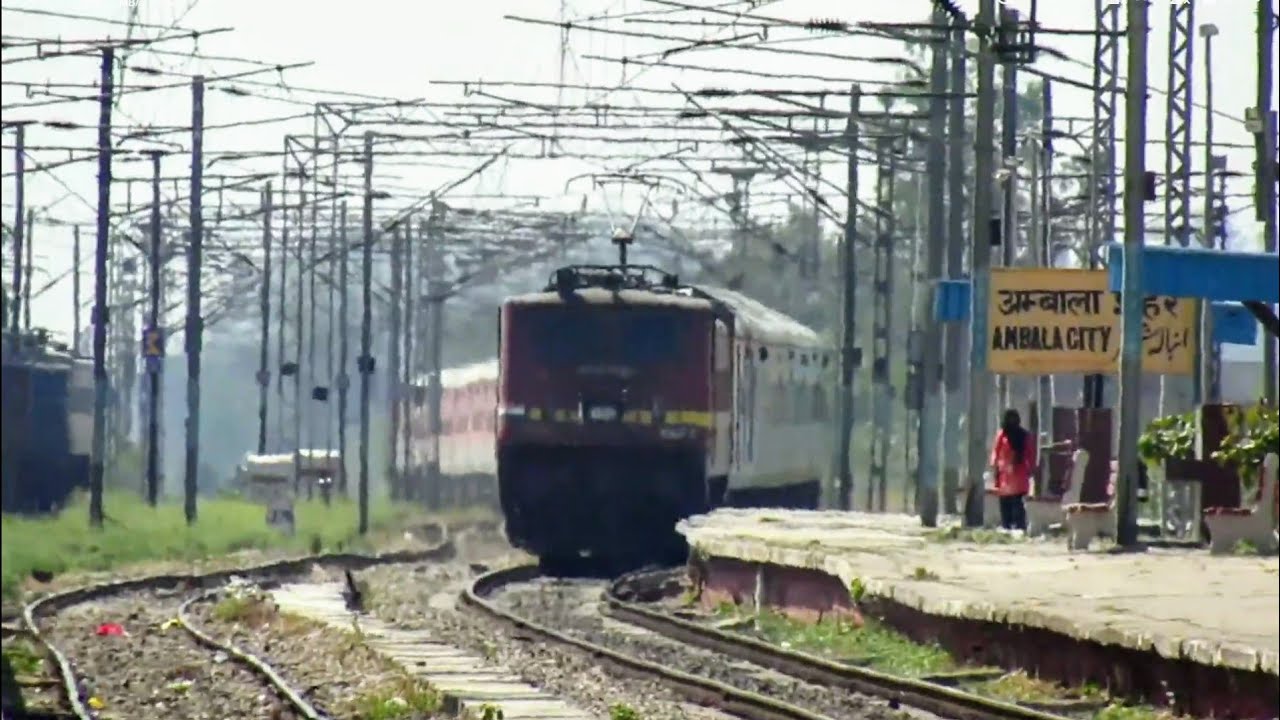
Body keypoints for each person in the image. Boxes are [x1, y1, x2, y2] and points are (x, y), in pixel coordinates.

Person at [990, 408, 1036, 531]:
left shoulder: (1024, 436)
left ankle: (1019, 527)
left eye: (1014, 418)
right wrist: (995, 467)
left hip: (1019, 474)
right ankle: (1006, 527)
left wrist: (1030, 469)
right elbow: (996, 452)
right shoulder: (1002, 434)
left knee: (1018, 504)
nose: (1011, 421)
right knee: (1005, 503)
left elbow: (1030, 454)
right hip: (1004, 475)